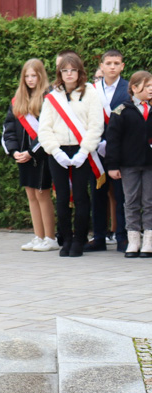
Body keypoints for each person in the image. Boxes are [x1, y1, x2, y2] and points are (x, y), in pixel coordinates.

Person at [38, 53, 104, 257]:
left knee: (82, 196)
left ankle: (79, 240)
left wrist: (84, 152)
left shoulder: (91, 93)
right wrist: (55, 151)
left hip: (81, 149)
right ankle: (65, 238)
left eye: (73, 70)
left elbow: (96, 125)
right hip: (57, 151)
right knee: (62, 198)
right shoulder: (52, 96)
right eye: (65, 71)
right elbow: (44, 128)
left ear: (79, 72)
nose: (69, 74)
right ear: (60, 73)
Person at [2, 59, 57, 252]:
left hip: (41, 156)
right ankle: (38, 235)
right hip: (22, 156)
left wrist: (32, 152)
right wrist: (14, 151)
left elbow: (50, 129)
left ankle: (50, 238)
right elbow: (8, 129)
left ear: (41, 76)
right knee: (31, 194)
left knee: (42, 193)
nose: (30, 79)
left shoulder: (49, 97)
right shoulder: (18, 100)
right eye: (27, 76)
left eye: (34, 75)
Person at [103, 70, 152, 257]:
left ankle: (148, 241)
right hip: (129, 165)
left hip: (149, 164)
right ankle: (133, 240)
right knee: (130, 201)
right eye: (147, 86)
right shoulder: (121, 111)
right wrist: (113, 165)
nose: (151, 89)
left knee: (149, 202)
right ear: (134, 87)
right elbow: (113, 140)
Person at [88, 49, 131, 253]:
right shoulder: (91, 90)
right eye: (108, 63)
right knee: (98, 194)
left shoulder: (130, 89)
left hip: (120, 151)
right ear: (102, 66)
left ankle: (122, 236)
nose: (112, 67)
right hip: (96, 151)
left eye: (116, 63)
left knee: (122, 196)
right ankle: (98, 237)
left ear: (122, 66)